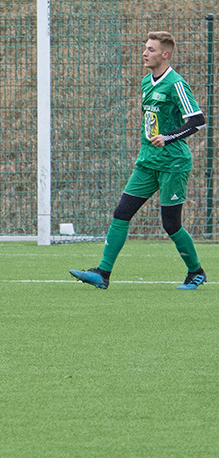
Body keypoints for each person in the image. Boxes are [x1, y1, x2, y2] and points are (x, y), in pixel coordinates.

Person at [70, 31, 206, 290]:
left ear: (165, 54)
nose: (145, 53)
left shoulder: (176, 83)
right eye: (145, 48)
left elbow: (197, 121)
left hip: (173, 163)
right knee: (121, 213)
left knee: (171, 224)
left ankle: (196, 272)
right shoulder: (146, 82)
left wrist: (168, 137)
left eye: (151, 50)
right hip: (147, 162)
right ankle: (102, 273)